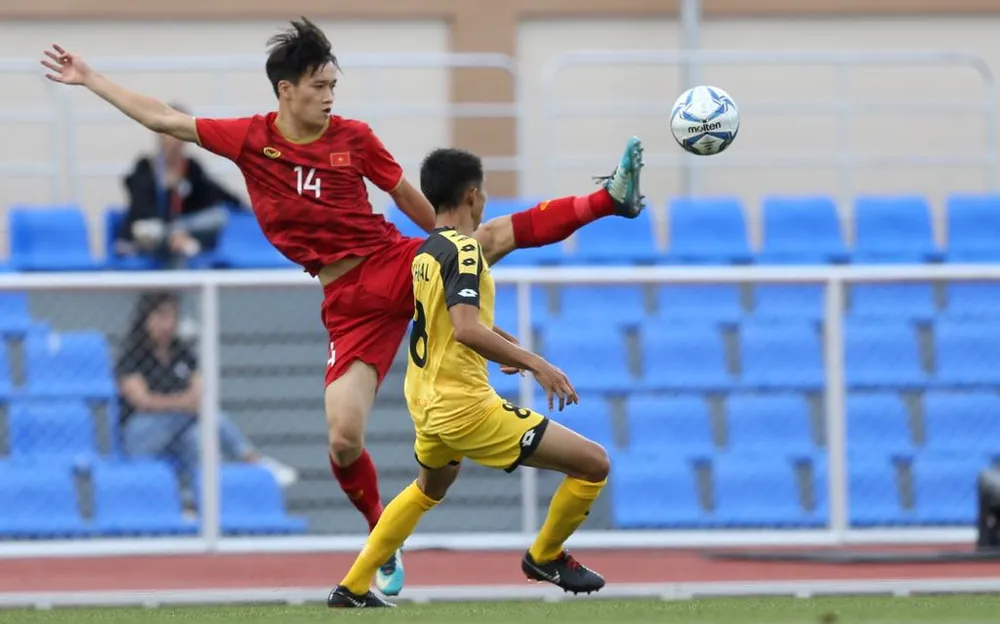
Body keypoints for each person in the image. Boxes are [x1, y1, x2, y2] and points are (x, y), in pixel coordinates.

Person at [41, 17, 643, 596]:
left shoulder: (354, 139)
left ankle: (606, 199)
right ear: (287, 90)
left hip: (390, 262)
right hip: (345, 304)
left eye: (334, 85)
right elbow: (165, 118)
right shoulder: (249, 138)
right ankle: (384, 538)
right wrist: (91, 78)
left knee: (484, 239)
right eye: (319, 86)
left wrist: (450, 253)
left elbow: (408, 196)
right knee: (343, 439)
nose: (330, 97)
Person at [328, 148, 609, 609]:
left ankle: (353, 586)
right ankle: (545, 555)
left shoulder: (425, 251)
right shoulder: (464, 251)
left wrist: (504, 341)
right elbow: (464, 329)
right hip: (463, 407)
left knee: (427, 489)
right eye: (484, 195)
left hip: (424, 401)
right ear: (473, 195)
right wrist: (537, 362)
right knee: (593, 464)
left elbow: (447, 318)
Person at [116, 292, 299, 514]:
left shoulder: (181, 353)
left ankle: (191, 505)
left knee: (197, 438)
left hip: (180, 431)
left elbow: (199, 390)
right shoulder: (131, 355)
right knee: (202, 414)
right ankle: (252, 459)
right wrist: (183, 404)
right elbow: (142, 401)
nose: (167, 324)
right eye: (161, 316)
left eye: (172, 317)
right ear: (146, 318)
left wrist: (182, 404)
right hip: (141, 435)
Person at [116, 103, 246, 269]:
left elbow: (212, 192)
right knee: (149, 231)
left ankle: (178, 240)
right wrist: (166, 183)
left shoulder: (190, 167)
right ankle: (178, 241)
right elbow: (141, 209)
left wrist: (240, 202)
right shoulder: (146, 167)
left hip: (182, 229)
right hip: (152, 230)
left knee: (217, 217)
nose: (177, 139)